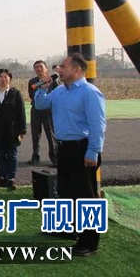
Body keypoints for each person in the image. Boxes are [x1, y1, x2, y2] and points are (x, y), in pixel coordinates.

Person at [35, 53, 106, 257]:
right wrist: (42, 88)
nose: (59, 70)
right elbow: (41, 105)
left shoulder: (90, 92)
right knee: (67, 192)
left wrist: (93, 151)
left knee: (86, 196)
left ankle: (90, 242)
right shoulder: (59, 91)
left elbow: (98, 125)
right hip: (64, 149)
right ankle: (71, 230)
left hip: (83, 149)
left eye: (63, 67)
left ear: (76, 70)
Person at [0, 68, 26, 191]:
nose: (3, 79)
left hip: (12, 129)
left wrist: (22, 130)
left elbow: (21, 113)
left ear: (10, 78)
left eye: (6, 77)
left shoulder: (16, 93)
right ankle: (2, 176)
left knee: (12, 154)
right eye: (1, 77)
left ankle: (11, 178)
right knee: (0, 154)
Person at [27, 60, 58, 166]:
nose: (38, 69)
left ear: (46, 68)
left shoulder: (53, 80)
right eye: (36, 67)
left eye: (41, 66)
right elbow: (31, 95)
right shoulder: (32, 81)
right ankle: (35, 156)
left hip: (48, 111)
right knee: (35, 135)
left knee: (51, 135)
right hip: (35, 111)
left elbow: (56, 94)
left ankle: (54, 158)